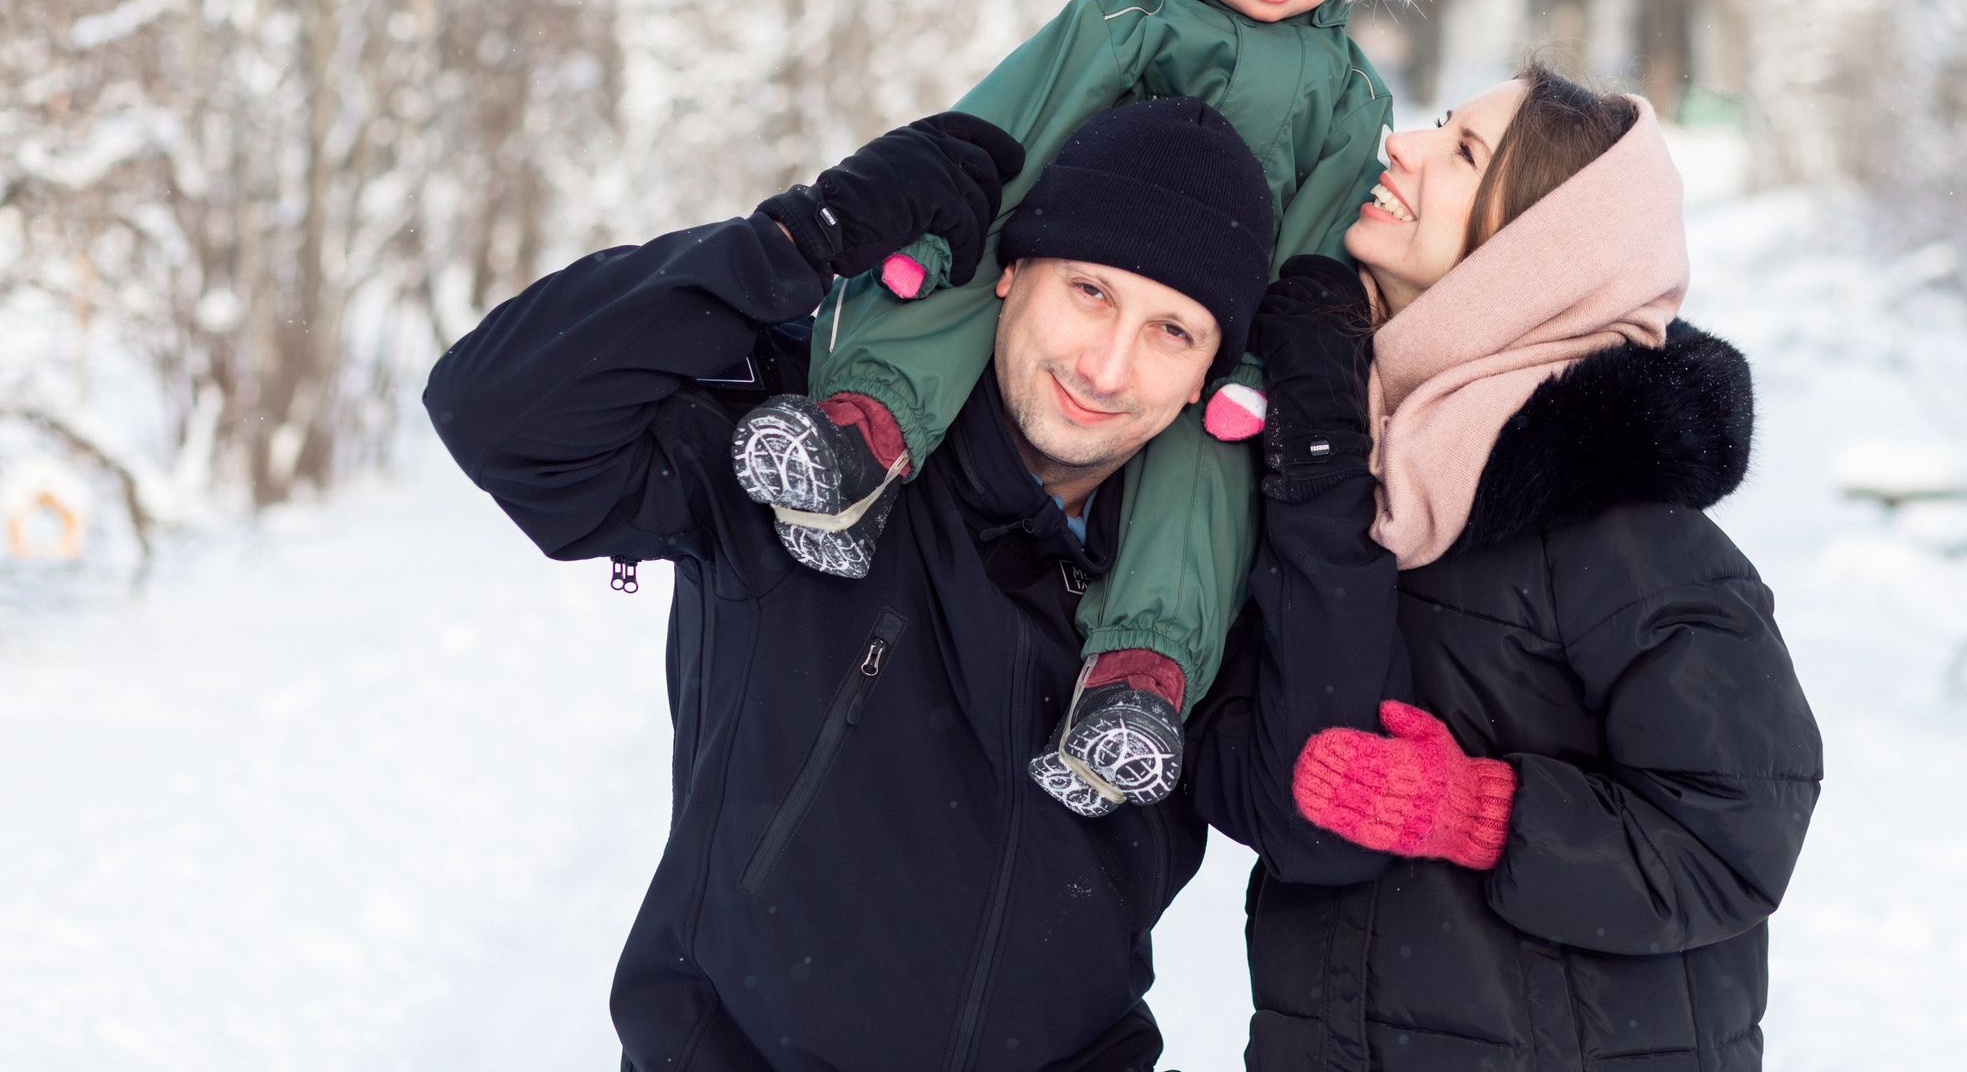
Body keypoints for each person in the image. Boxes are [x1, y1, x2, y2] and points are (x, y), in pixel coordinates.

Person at [422, 99, 1376, 1072]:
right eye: (1088, 290)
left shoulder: (1199, 599)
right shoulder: (814, 459)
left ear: (1212, 373)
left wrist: (1327, 480)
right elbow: (499, 413)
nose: (1107, 365)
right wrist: (801, 237)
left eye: (1172, 330)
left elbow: (1319, 824)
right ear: (1009, 273)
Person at [728, 0, 1449, 820]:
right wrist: (934, 228)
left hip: (1198, 336)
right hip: (1053, 253)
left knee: (1202, 477)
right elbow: (999, 128)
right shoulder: (1116, 24)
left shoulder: (1348, 96)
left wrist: (1256, 375)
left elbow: (1315, 252)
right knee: (962, 306)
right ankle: (858, 439)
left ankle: (1138, 677)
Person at [1186, 59, 1825, 1070]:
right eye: (1437, 125)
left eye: (1462, 152)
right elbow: (1243, 758)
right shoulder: (1326, 461)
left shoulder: (1631, 535)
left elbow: (1730, 839)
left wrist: (1480, 812)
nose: (1401, 147)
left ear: (1535, 250)